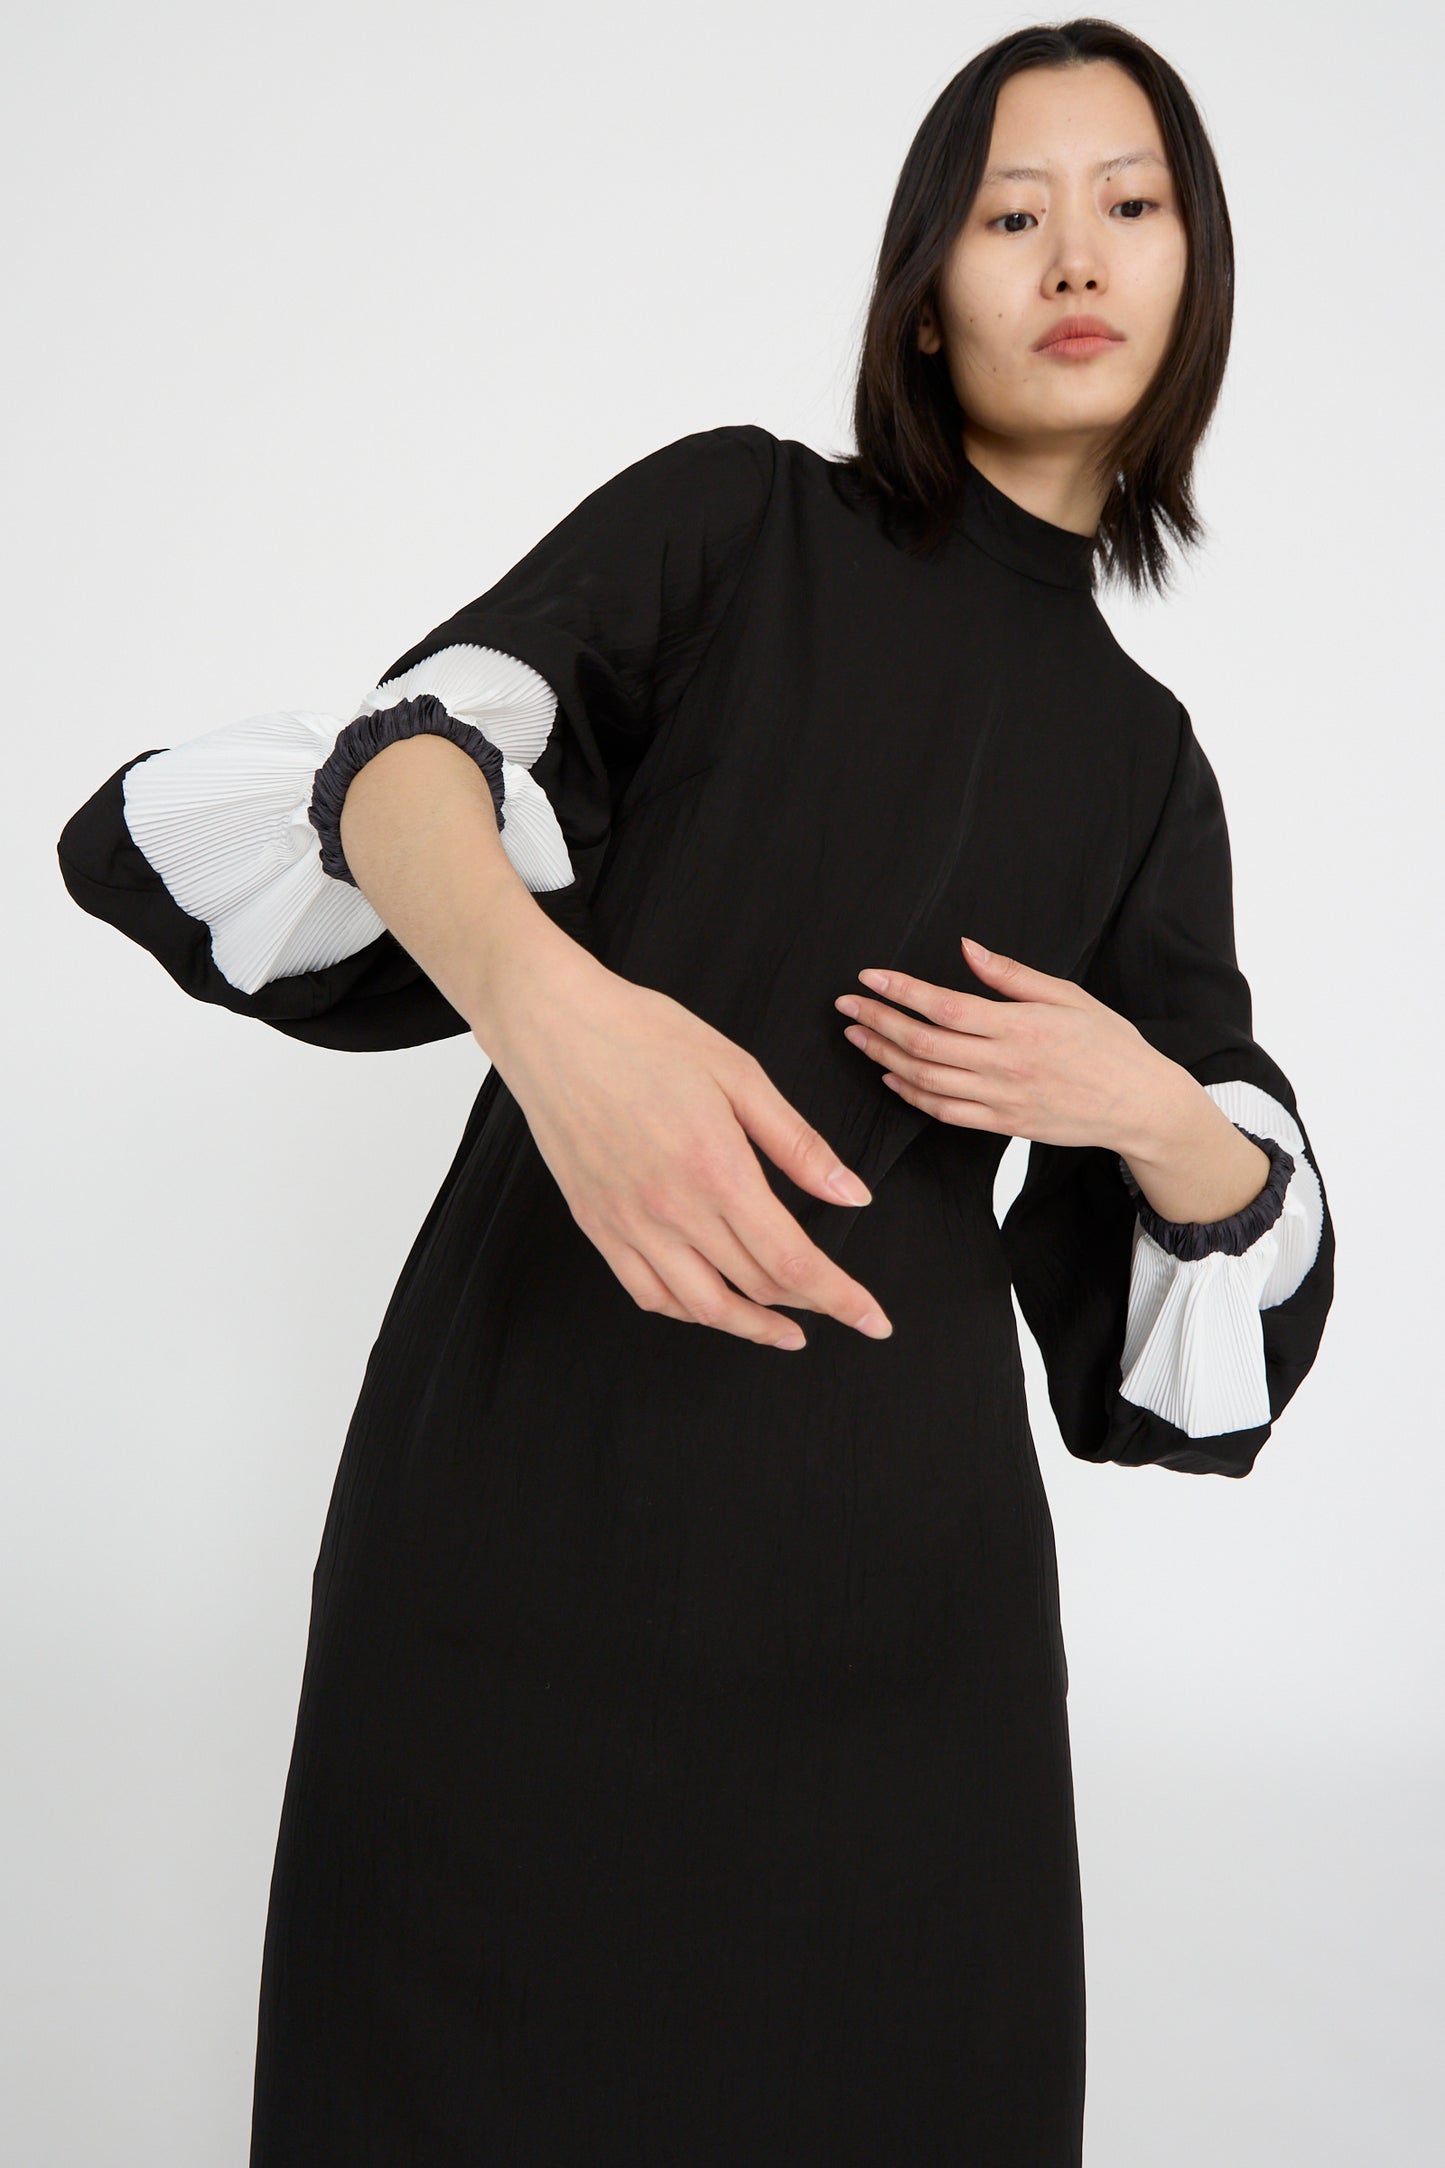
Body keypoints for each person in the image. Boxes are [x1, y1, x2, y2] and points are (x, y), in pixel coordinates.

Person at [55, 17, 1335, 2164]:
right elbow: (396, 768)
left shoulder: (1146, 762)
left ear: (1196, 277)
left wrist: (1147, 1101)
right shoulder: (739, 520)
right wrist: (566, 1024)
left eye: (1131, 205)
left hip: (908, 1650)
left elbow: (1210, 1310)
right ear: (925, 283)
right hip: (517, 1543)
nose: (1070, 253)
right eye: (1008, 211)